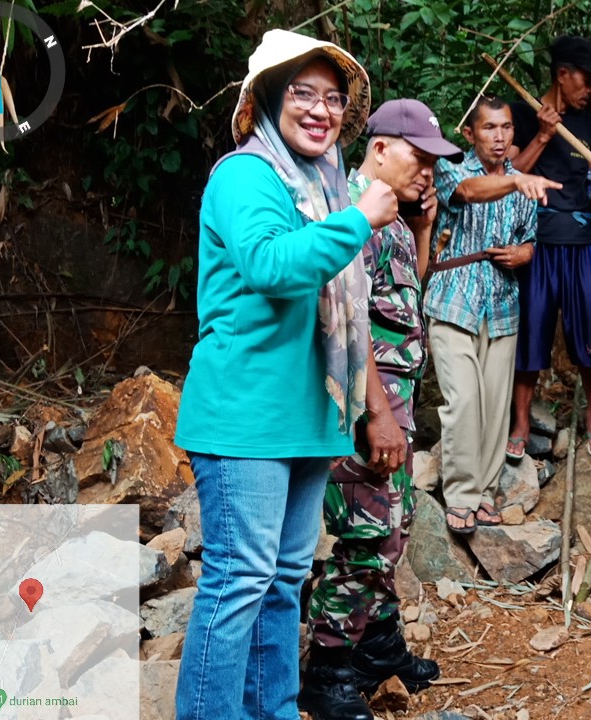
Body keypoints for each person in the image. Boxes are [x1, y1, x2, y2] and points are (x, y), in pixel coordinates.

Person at [174, 29, 396, 720]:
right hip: (245, 415)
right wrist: (359, 219)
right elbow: (270, 265)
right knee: (240, 580)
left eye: (333, 98)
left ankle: (273, 710)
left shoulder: (326, 186)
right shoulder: (245, 175)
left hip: (307, 417)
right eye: (304, 93)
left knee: (284, 581)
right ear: (270, 97)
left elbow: (348, 312)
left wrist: (371, 410)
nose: (321, 110)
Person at [300, 99, 463, 720]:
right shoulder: (350, 211)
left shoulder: (389, 213)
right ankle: (328, 669)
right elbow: (347, 319)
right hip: (367, 409)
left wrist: (422, 229)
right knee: (367, 534)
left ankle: (378, 644)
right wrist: (378, 414)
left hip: (396, 401)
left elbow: (402, 298)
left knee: (394, 523)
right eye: (419, 158)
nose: (428, 171)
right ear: (380, 148)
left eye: (434, 162)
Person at [427, 95, 561, 533]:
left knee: (494, 407)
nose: (499, 136)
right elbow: (469, 192)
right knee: (464, 400)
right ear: (470, 133)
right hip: (454, 299)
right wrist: (517, 182)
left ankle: (484, 493)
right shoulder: (451, 168)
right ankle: (461, 495)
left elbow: (530, 237)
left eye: (506, 127)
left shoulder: (523, 185)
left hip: (502, 305)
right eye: (489, 128)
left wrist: (526, 253)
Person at [507, 35, 591, 460]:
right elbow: (509, 175)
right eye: (587, 81)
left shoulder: (588, 125)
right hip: (537, 242)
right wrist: (544, 135)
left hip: (582, 242)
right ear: (562, 74)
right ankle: (520, 422)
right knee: (531, 331)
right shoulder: (522, 114)